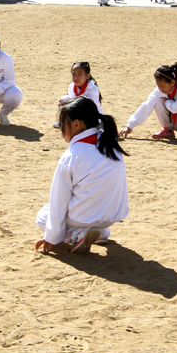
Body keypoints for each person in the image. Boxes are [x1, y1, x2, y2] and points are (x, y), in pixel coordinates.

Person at [35, 97, 129, 255]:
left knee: (44, 216)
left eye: (62, 125)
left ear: (76, 124)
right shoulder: (110, 143)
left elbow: (59, 200)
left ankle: (78, 234)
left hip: (85, 217)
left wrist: (52, 237)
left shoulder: (72, 155)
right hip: (113, 215)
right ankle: (101, 233)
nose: (61, 131)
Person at [120, 62, 177, 142]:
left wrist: (167, 102)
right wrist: (130, 126)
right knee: (157, 101)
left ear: (172, 82)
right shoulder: (159, 90)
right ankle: (168, 130)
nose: (159, 88)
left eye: (162, 86)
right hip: (173, 122)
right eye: (158, 85)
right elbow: (147, 105)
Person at [53, 61, 102, 128]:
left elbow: (90, 105)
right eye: (73, 74)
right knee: (64, 99)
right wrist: (63, 104)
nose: (76, 77)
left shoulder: (92, 88)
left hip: (92, 117)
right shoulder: (71, 87)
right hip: (78, 115)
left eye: (79, 74)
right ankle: (64, 122)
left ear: (87, 76)